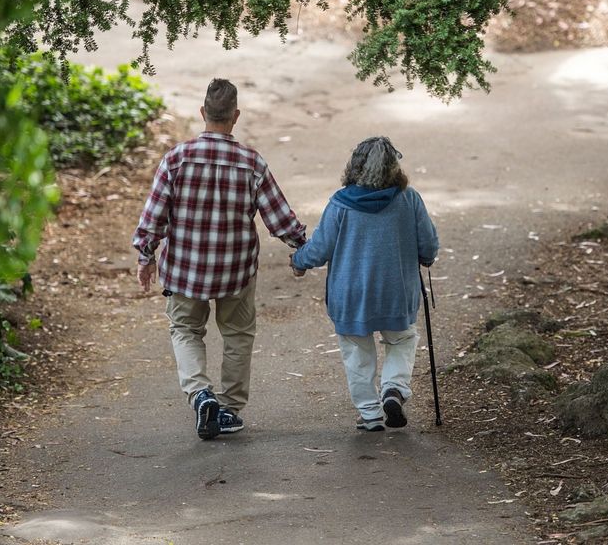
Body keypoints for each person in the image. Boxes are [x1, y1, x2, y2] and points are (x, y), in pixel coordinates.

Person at [132, 78, 306, 440]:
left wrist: (146, 255)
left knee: (185, 330)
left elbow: (153, 217)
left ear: (202, 113)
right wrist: (302, 247)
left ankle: (200, 395)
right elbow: (279, 219)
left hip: (185, 271)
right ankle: (227, 408)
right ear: (236, 116)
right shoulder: (251, 163)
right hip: (235, 271)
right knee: (238, 335)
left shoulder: (176, 159)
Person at [290, 137, 439, 431]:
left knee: (357, 351)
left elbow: (320, 249)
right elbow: (429, 244)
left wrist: (298, 261)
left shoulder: (340, 204)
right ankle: (393, 390)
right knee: (402, 340)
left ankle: (370, 414)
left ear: (354, 166)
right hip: (396, 292)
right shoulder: (409, 199)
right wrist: (426, 257)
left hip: (351, 294)